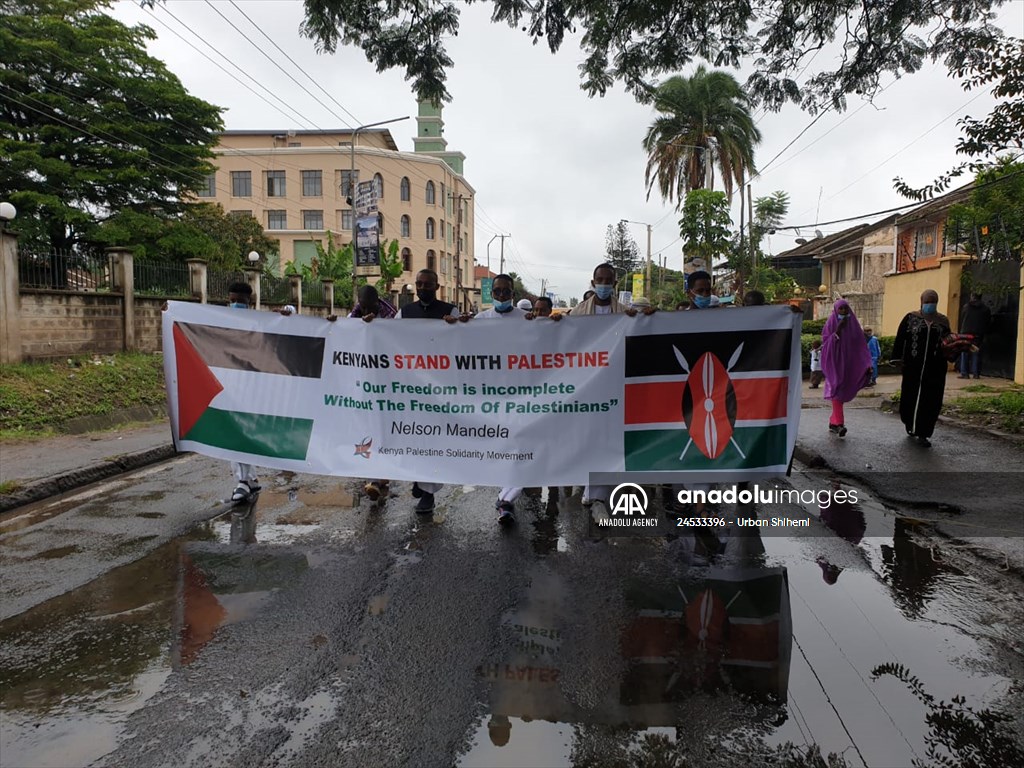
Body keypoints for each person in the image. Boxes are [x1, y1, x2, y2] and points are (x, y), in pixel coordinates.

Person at [366, 269, 463, 513]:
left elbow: (464, 343)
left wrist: (457, 327)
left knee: (433, 438)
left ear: (437, 286)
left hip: (440, 389)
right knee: (411, 434)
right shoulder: (405, 313)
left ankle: (428, 495)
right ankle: (419, 480)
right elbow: (388, 338)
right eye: (419, 284)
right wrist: (369, 325)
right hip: (410, 388)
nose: (422, 288)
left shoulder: (450, 312)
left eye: (427, 284)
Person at [894, 290, 953, 447]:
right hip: (913, 367)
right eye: (928, 301)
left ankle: (924, 433)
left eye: (933, 301)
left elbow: (948, 343)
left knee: (931, 400)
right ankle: (909, 424)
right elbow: (900, 339)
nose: (930, 304)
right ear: (921, 301)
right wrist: (898, 359)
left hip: (935, 369)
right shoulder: (911, 318)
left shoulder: (942, 321)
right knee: (910, 395)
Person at [227, 282, 262, 502]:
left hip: (252, 386)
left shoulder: (258, 322)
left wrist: (287, 317)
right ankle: (246, 480)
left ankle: (246, 480)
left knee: (246, 432)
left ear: (250, 301)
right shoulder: (220, 319)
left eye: (240, 301)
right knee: (237, 431)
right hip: (230, 385)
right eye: (233, 301)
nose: (236, 305)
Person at [820, 299, 872, 438]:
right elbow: (825, 344)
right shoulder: (830, 324)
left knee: (841, 395)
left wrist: (866, 365)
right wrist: (838, 330)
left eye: (845, 308)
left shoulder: (854, 326)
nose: (843, 311)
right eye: (841, 309)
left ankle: (833, 421)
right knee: (837, 391)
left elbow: (861, 347)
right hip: (834, 366)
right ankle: (839, 424)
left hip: (849, 366)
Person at [958, 292, 991, 379]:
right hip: (978, 333)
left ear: (972, 297)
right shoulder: (985, 309)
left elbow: (962, 317)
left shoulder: (966, 307)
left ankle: (964, 373)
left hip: (966, 332)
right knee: (976, 352)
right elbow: (988, 321)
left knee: (964, 352)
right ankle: (976, 374)